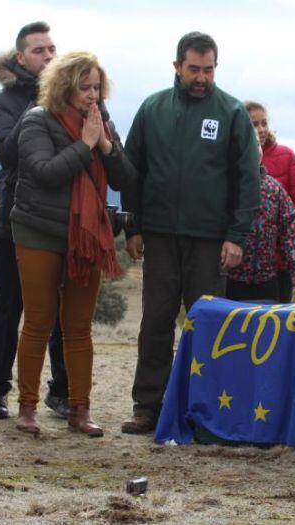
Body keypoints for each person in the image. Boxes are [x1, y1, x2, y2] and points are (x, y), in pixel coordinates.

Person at [120, 32, 260, 434]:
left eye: (209, 70)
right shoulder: (152, 109)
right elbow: (133, 171)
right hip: (160, 237)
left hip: (211, 240)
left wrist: (237, 236)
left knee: (207, 327)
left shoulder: (232, 112)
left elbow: (247, 180)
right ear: (177, 66)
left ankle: (205, 412)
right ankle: (147, 406)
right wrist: (133, 227)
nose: (201, 77)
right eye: (194, 69)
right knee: (156, 323)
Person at [12, 50, 135, 436]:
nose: (92, 95)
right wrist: (84, 145)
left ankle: (79, 411)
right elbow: (45, 173)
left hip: (85, 241)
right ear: (65, 86)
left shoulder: (102, 124)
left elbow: (126, 178)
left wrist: (105, 147)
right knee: (38, 321)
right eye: (85, 87)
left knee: (79, 328)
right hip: (39, 234)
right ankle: (27, 409)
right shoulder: (37, 121)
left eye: (97, 87)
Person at [0, 21, 71, 420]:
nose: (49, 56)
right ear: (20, 58)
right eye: (39, 51)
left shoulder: (76, 95)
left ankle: (62, 391)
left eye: (52, 49)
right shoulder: (2, 102)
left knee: (61, 312)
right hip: (15, 219)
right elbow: (4, 150)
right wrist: (41, 106)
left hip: (65, 220)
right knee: (8, 308)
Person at [245, 101, 295, 302]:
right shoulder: (230, 167)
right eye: (254, 124)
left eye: (264, 123)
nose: (261, 129)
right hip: (238, 267)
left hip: (277, 263)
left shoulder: (285, 157)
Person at [226, 160, 295, 302]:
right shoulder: (226, 184)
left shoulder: (274, 188)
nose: (255, 148)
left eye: (258, 144)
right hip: (229, 277)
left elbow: (289, 233)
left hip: (266, 279)